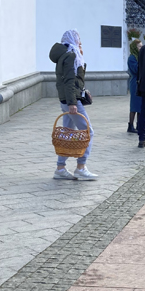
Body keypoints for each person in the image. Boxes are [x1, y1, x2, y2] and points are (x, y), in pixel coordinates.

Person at [49, 30, 98, 180]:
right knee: (88, 132)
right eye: (79, 39)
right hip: (71, 101)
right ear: (73, 40)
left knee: (67, 133)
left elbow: (74, 80)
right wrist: (72, 103)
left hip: (66, 99)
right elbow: (70, 80)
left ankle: (60, 168)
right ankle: (81, 167)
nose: (80, 42)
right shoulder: (71, 55)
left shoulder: (67, 54)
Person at [127, 39, 142, 133]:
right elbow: (136, 69)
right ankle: (130, 125)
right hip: (135, 82)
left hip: (141, 82)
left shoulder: (139, 57)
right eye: (139, 46)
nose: (141, 48)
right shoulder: (132, 58)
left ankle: (139, 126)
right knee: (134, 105)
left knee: (141, 105)